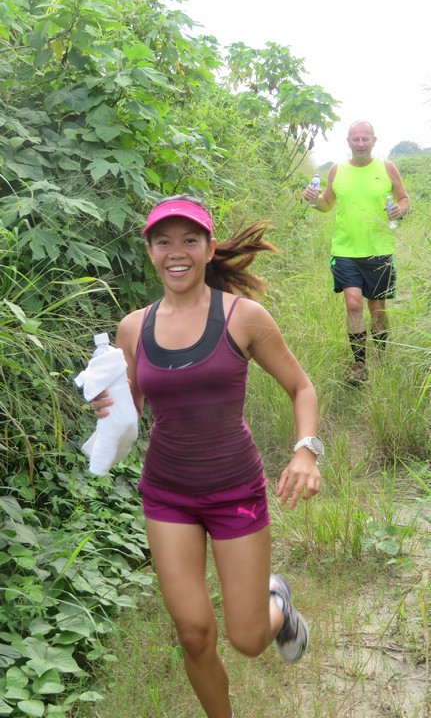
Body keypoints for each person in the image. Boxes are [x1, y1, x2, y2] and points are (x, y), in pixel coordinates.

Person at [93, 195, 322, 718]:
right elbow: (130, 411)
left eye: (189, 240)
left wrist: (306, 451)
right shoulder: (133, 328)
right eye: (163, 241)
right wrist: (107, 406)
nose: (177, 252)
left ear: (209, 248)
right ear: (150, 251)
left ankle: (276, 603)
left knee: (247, 639)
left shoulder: (244, 318)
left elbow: (301, 387)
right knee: (194, 634)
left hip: (235, 490)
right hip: (167, 495)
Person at [303, 120, 410, 384]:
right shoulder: (337, 170)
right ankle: (360, 365)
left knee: (377, 310)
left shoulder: (387, 168)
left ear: (374, 140)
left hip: (379, 251)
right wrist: (313, 200)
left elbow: (404, 198)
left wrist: (400, 209)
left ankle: (381, 357)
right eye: (356, 139)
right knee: (353, 304)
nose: (360, 144)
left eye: (365, 139)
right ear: (348, 141)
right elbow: (326, 204)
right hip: (345, 251)